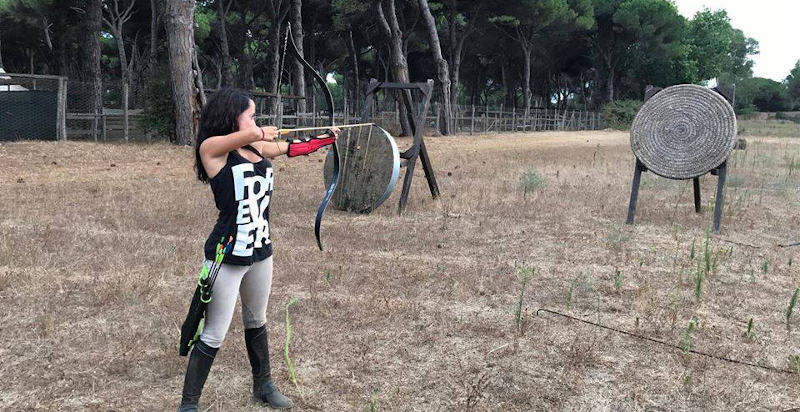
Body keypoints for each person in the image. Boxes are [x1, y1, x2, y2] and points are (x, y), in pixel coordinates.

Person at [178, 88, 339, 411]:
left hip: (260, 249)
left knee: (257, 319)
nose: (255, 121)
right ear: (231, 118)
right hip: (227, 253)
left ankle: (263, 385)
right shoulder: (213, 150)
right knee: (214, 332)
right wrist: (256, 131)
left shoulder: (257, 146)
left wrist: (325, 138)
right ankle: (189, 404)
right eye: (250, 114)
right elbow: (245, 136)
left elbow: (292, 148)